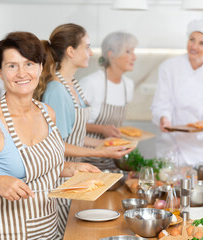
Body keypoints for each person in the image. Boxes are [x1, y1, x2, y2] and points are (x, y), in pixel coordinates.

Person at [0, 31, 100, 239]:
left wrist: (71, 168)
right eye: (12, 66)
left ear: (40, 67)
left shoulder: (47, 112)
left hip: (50, 226)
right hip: (9, 232)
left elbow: (42, 168)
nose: (22, 73)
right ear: (0, 72)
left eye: (29, 64)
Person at [34, 24, 133, 235]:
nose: (91, 53)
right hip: (60, 178)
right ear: (71, 51)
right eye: (87, 47)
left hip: (74, 177)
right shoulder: (57, 90)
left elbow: (75, 136)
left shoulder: (72, 85)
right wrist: (100, 152)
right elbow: (57, 145)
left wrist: (105, 145)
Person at [151, 19, 203, 166]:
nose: (194, 46)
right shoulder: (168, 67)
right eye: (192, 40)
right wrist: (164, 118)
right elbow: (162, 103)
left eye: (201, 43)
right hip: (173, 144)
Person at [80, 31, 138, 169]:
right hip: (86, 160)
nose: (134, 57)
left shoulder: (128, 85)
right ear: (111, 54)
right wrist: (101, 129)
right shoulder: (90, 83)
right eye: (128, 51)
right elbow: (71, 125)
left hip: (111, 160)